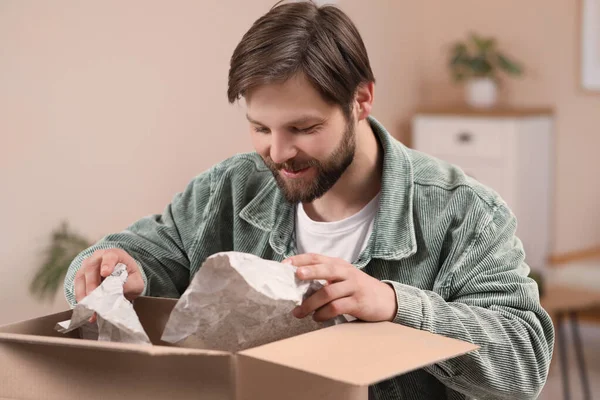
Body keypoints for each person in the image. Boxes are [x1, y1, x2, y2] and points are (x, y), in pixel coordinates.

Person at [64, 1, 554, 399]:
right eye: (260, 128)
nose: (277, 153)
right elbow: (140, 255)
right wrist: (109, 268)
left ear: (361, 100)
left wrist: (394, 303)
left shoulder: (463, 213)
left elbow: (524, 366)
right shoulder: (230, 189)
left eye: (304, 128)